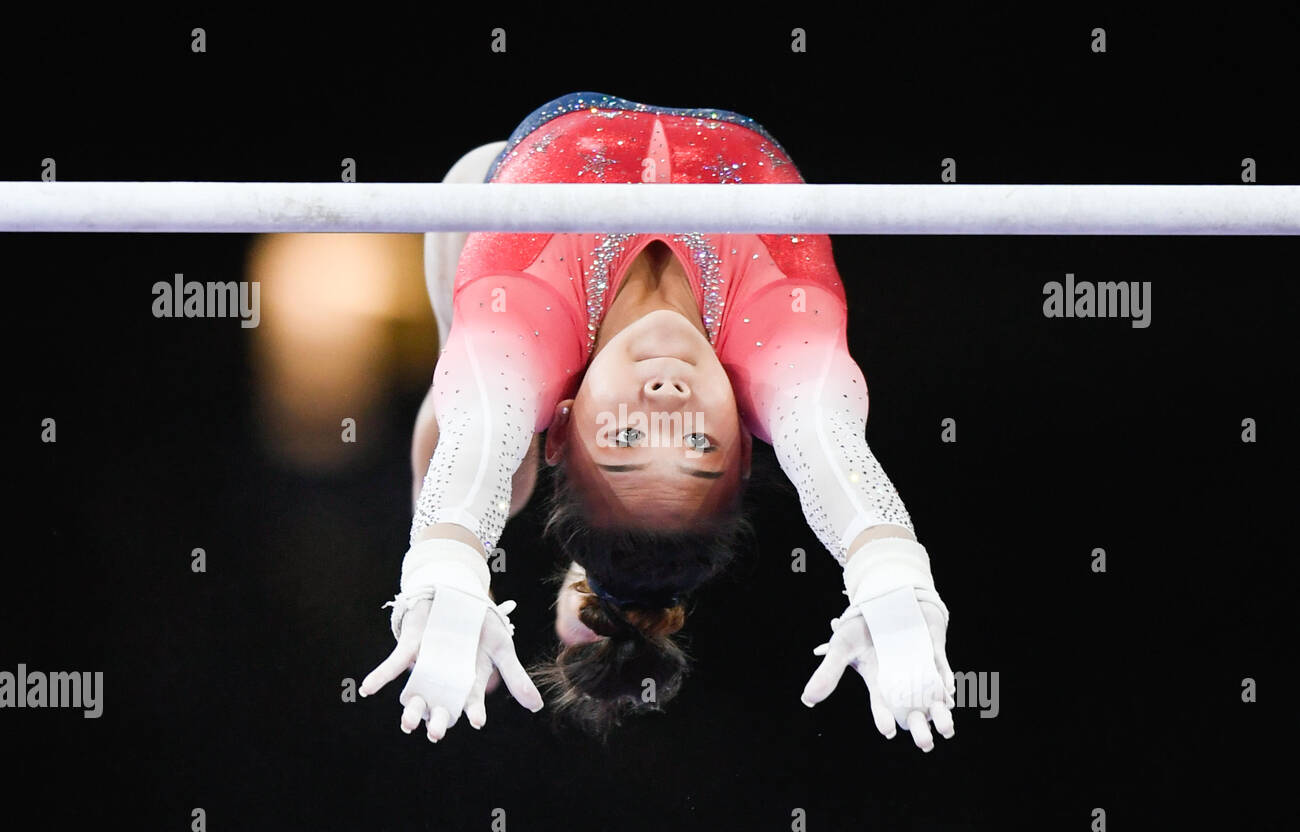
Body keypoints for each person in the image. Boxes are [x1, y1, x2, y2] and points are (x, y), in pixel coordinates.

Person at [360, 92, 956, 749]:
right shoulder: (783, 346)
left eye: (626, 434)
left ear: (563, 424)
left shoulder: (519, 330)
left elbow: (473, 442)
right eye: (698, 440)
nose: (667, 394)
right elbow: (833, 450)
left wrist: (442, 569)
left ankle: (475, 506)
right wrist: (893, 576)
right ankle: (541, 519)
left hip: (488, 220)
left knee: (483, 425)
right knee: (489, 426)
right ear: (749, 446)